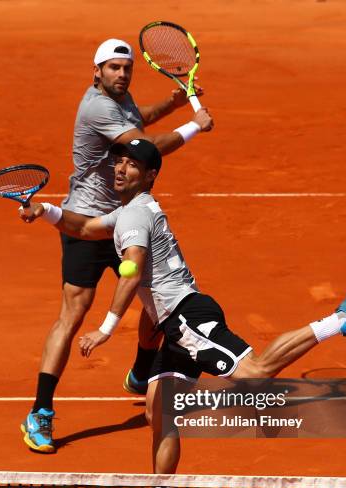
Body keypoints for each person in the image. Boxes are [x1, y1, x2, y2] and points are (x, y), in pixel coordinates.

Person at [20, 139, 346, 488]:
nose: (121, 169)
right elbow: (86, 227)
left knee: (257, 373)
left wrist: (107, 328)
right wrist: (46, 211)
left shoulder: (134, 219)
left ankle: (342, 319)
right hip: (176, 327)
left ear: (149, 176)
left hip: (187, 319)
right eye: (120, 163)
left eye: (131, 165)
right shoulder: (129, 212)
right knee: (158, 415)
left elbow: (130, 271)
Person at [21, 38, 214, 454]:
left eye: (126, 68)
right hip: (87, 224)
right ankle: (40, 411)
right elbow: (145, 148)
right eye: (113, 68)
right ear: (97, 72)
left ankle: (141, 372)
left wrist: (171, 103)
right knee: (73, 314)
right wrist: (194, 125)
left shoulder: (120, 99)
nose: (122, 74)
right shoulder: (98, 107)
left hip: (126, 220)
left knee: (156, 302)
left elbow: (138, 118)